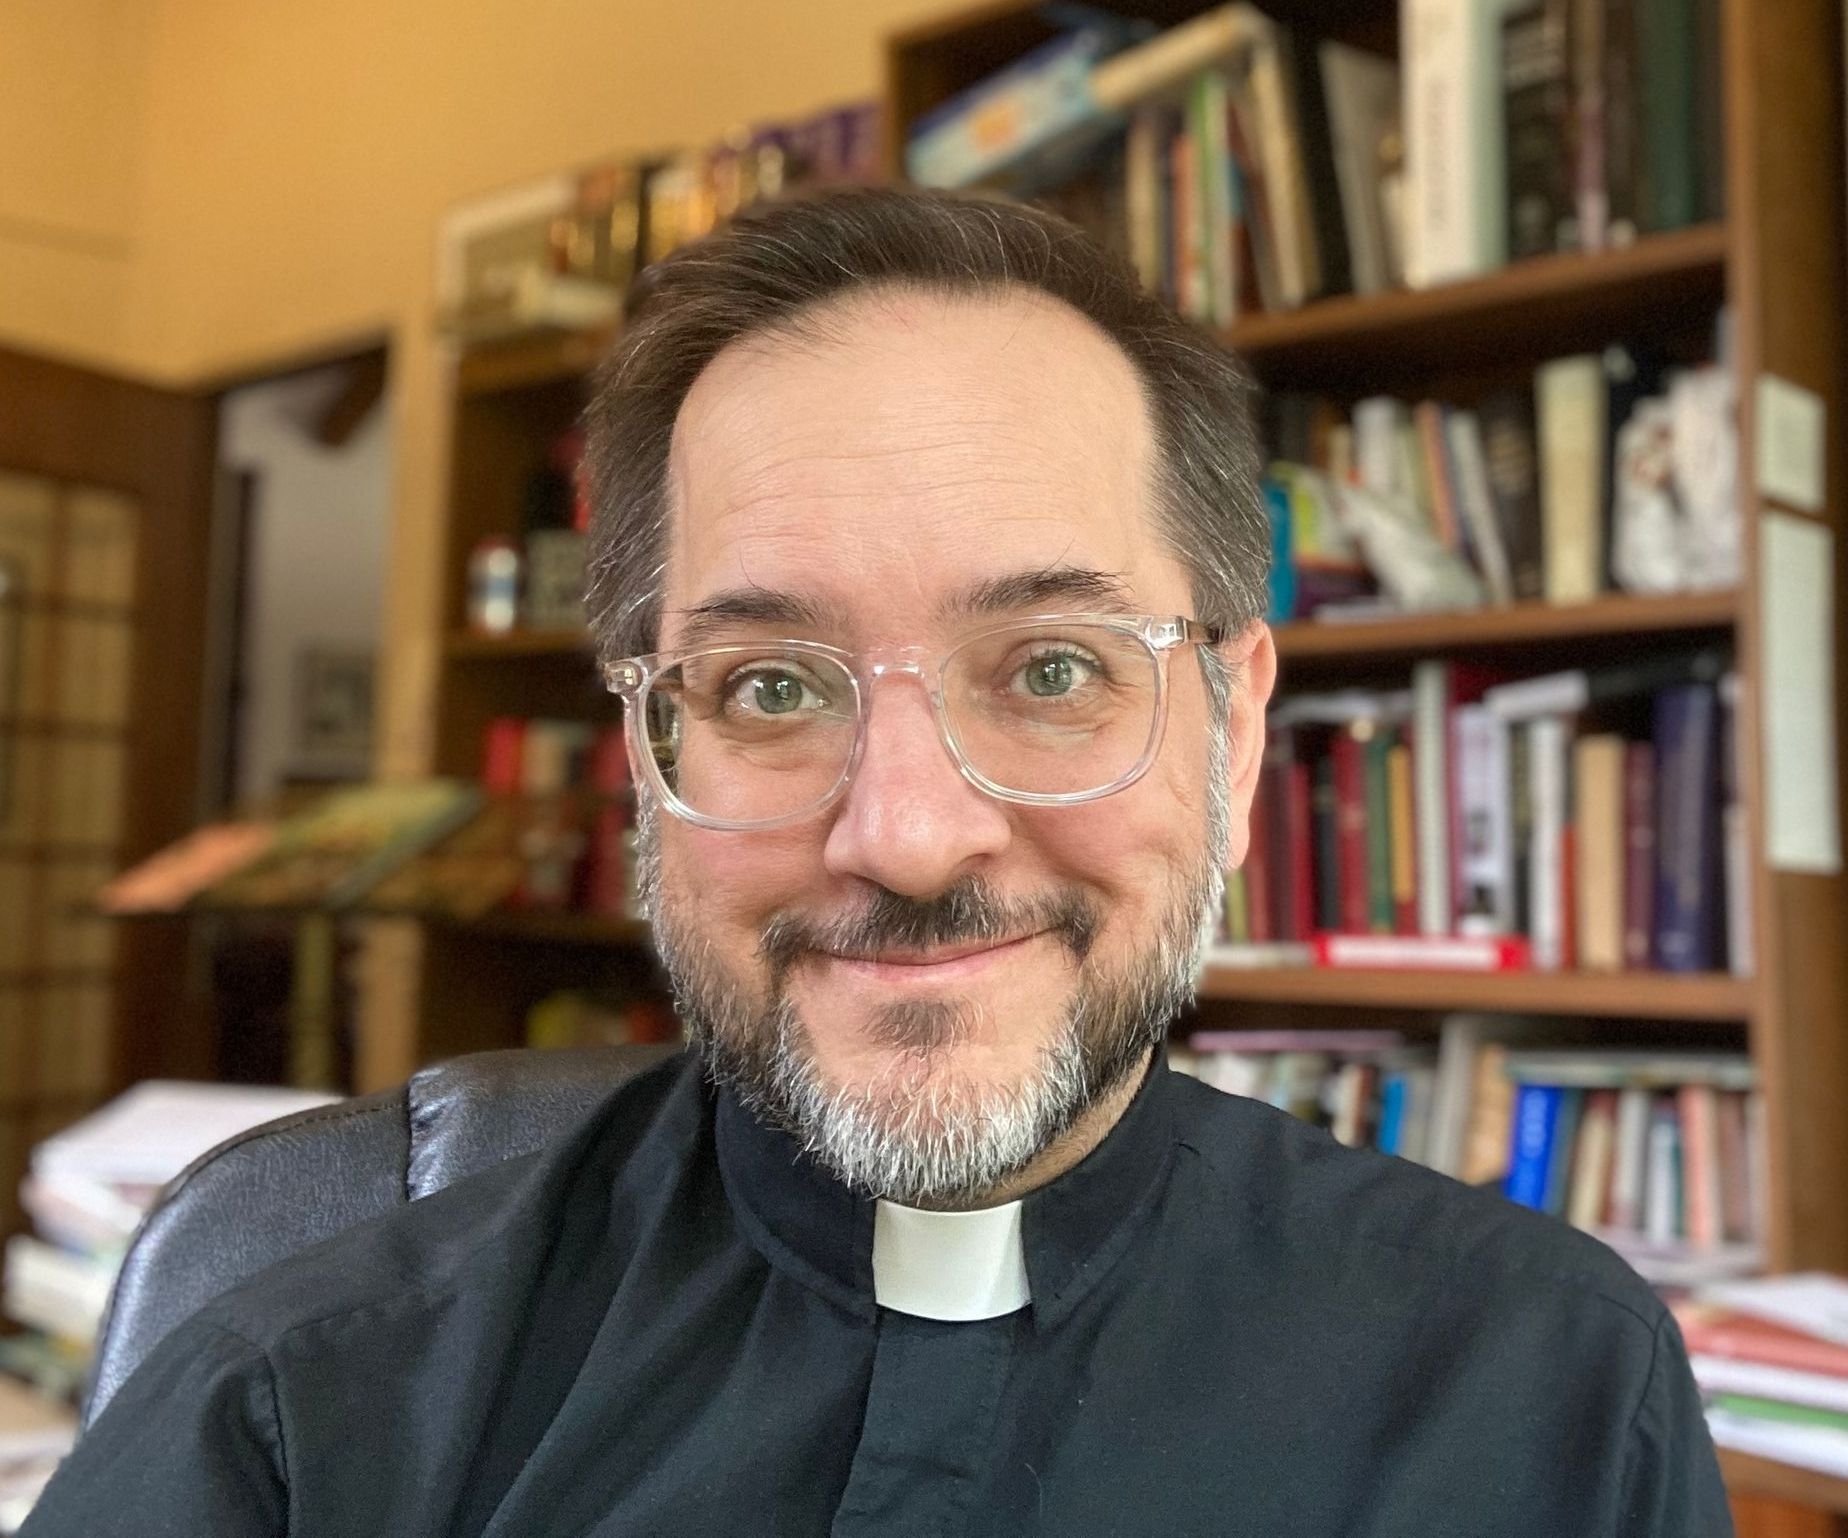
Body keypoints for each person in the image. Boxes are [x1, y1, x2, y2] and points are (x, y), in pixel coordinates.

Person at [22, 187, 1732, 1536]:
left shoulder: (1555, 1391)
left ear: (1232, 721)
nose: (908, 835)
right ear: (646, 750)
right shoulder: (298, 1414)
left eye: (1055, 668)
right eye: (769, 686)